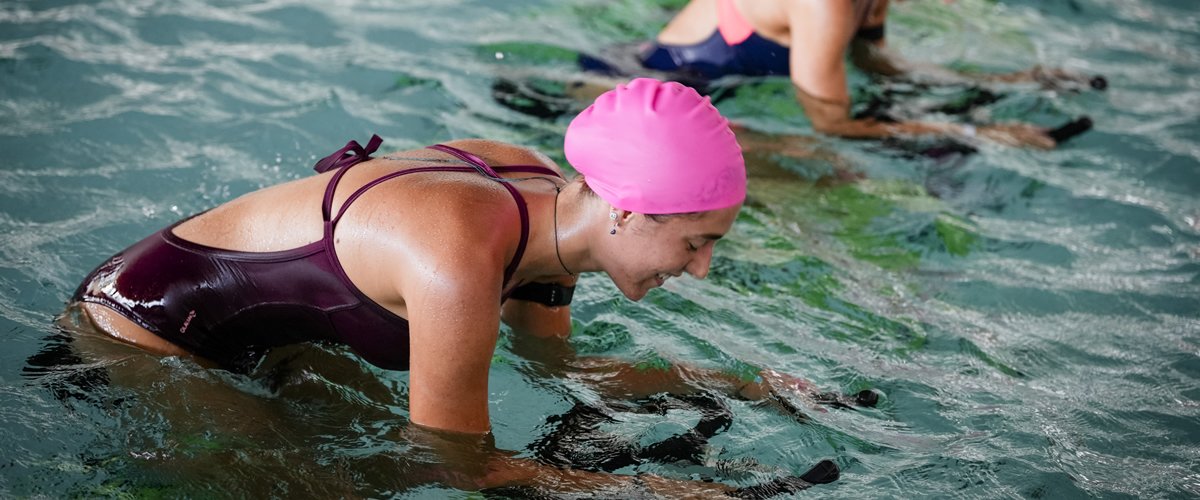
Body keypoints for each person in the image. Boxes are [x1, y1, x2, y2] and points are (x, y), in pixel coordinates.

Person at [60, 78, 837, 496]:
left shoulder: (548, 208)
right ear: (628, 211)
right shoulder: (463, 253)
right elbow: (452, 466)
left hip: (265, 326)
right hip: (145, 325)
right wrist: (665, 494)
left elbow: (558, 368)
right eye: (697, 242)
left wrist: (751, 388)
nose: (701, 268)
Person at [587, 0, 1101, 149]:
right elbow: (831, 125)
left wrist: (1017, 81)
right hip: (635, 88)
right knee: (824, 169)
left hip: (721, 89)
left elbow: (878, 64)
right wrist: (979, 132)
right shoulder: (828, 4)